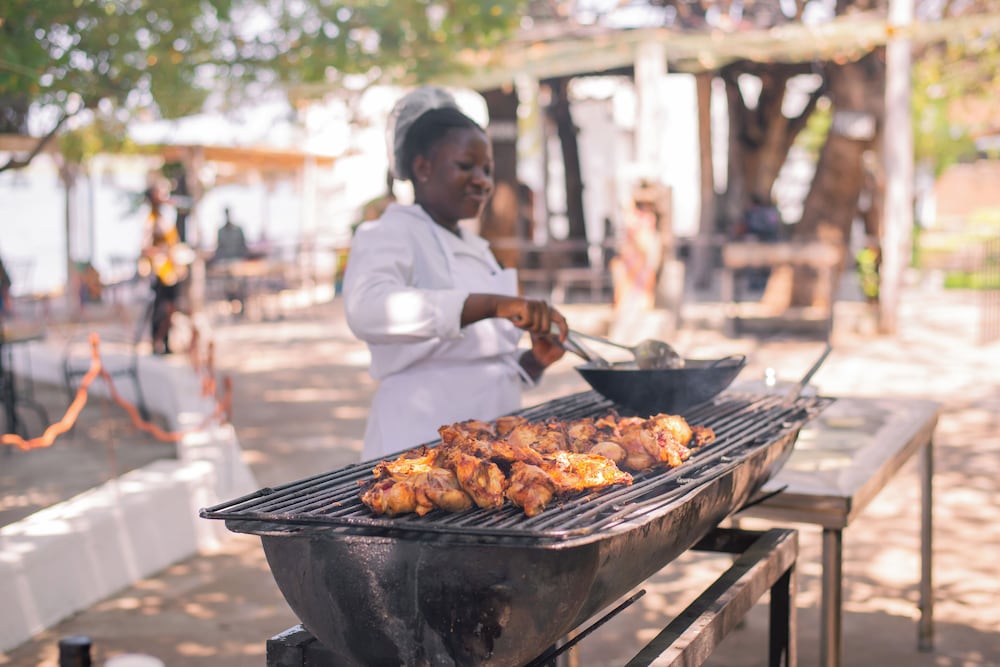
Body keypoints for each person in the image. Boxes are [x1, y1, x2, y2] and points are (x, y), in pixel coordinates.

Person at [343, 87, 569, 461]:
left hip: (492, 444)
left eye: (487, 170)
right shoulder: (390, 232)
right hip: (419, 445)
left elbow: (475, 364)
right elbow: (367, 308)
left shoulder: (477, 248)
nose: (482, 180)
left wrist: (533, 363)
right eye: (466, 166)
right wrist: (492, 305)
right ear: (422, 168)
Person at [138, 180, 192, 354]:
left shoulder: (164, 218)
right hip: (160, 271)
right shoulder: (151, 221)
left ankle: (165, 341)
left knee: (170, 308)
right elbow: (145, 248)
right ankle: (158, 341)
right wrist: (163, 252)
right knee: (161, 308)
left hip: (171, 270)